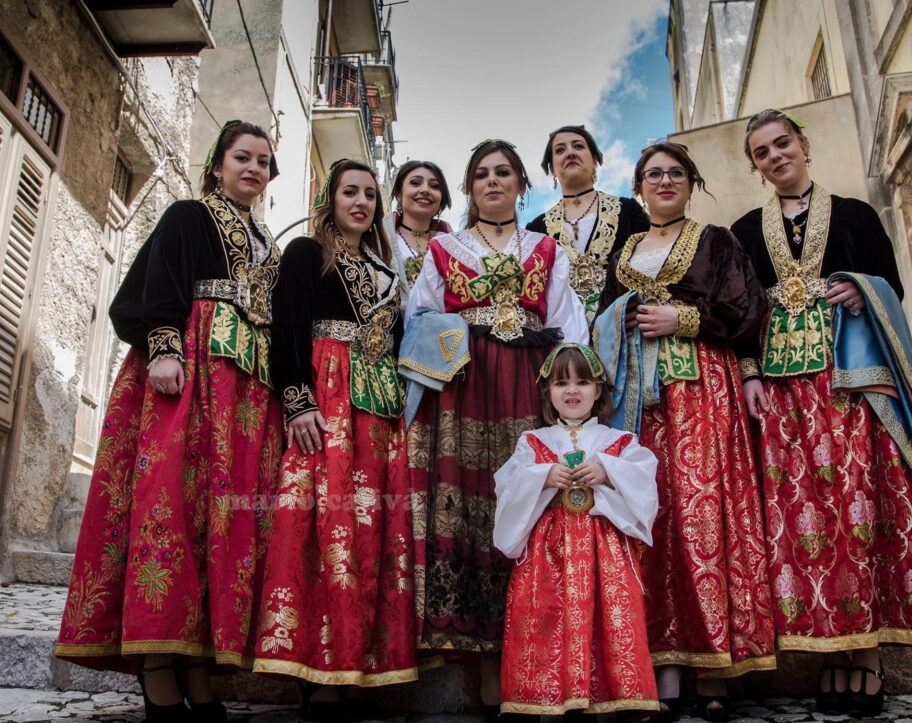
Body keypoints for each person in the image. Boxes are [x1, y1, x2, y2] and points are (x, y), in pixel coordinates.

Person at [730, 109, 912, 717]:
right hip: (783, 394)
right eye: (761, 152)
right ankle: (831, 651)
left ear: (803, 144)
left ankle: (867, 655)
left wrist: (864, 288)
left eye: (782, 143)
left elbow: (894, 288)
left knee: (859, 507)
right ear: (755, 166)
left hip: (850, 383)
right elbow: (742, 313)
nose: (775, 156)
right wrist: (750, 374)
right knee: (803, 519)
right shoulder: (744, 231)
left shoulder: (858, 215)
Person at [55, 120, 283, 722]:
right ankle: (157, 665)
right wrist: (164, 348)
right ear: (218, 165)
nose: (253, 168)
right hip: (191, 375)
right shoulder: (189, 215)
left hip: (244, 396)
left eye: (263, 161)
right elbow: (159, 285)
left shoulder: (269, 244)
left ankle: (195, 665)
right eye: (242, 157)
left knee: (219, 523)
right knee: (170, 507)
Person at [404, 139, 587, 714]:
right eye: (481, 174)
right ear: (469, 188)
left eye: (503, 172)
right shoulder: (443, 250)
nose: (492, 181)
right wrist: (455, 339)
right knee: (471, 510)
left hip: (529, 386)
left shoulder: (547, 249)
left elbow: (569, 326)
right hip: (463, 388)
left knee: (530, 507)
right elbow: (417, 317)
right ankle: (484, 665)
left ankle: (532, 662)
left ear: (520, 185)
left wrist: (569, 400)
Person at [596, 142, 775, 722]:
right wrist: (620, 319)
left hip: (700, 388)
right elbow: (601, 319)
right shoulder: (623, 252)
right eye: (654, 174)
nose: (665, 182)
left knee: (703, 515)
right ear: (639, 187)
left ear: (691, 183)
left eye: (676, 173)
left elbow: (748, 309)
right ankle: (662, 666)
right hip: (636, 402)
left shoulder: (716, 241)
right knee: (651, 518)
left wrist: (685, 318)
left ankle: (715, 665)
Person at [253, 159, 415, 721]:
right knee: (321, 525)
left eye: (370, 194)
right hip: (327, 397)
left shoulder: (388, 273)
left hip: (379, 411)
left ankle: (361, 669)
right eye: (350, 191)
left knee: (371, 531)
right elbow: (287, 327)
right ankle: (318, 673)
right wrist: (297, 399)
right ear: (331, 199)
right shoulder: (306, 253)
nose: (361, 202)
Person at [494, 344, 659, 717]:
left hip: (606, 551)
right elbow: (508, 486)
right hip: (546, 552)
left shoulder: (620, 442)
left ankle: (611, 699)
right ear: (548, 392)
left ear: (598, 390)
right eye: (561, 383)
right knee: (546, 617)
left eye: (582, 382)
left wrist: (608, 471)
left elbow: (645, 486)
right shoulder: (533, 441)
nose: (572, 391)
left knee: (608, 618)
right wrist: (542, 476)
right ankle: (549, 699)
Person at [527, 125, 649, 324]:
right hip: (562, 335)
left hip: (623, 332)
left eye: (578, 146)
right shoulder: (536, 229)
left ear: (594, 159)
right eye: (560, 150)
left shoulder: (628, 212)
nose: (570, 153)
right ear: (552, 168)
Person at [385, 159, 454, 288]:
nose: (425, 190)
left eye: (434, 186)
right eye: (415, 183)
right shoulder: (381, 239)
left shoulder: (449, 243)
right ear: (398, 194)